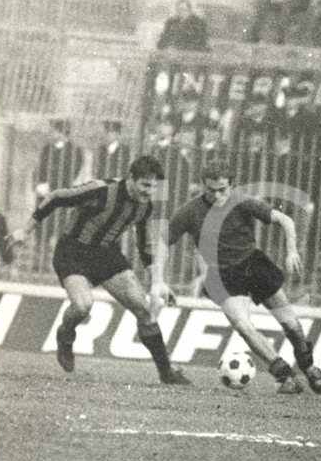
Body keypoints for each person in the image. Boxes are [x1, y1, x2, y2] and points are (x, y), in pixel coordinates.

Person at [10, 156, 190, 385]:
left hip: (106, 255)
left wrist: (159, 281)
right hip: (73, 251)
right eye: (145, 185)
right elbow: (56, 197)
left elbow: (144, 245)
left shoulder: (145, 206)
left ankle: (167, 373)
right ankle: (66, 333)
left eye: (154, 187)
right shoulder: (101, 190)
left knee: (144, 311)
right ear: (130, 178)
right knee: (83, 306)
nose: (149, 191)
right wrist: (25, 231)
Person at [159, 160, 321, 395]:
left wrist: (292, 250)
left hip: (253, 265)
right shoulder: (190, 211)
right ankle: (284, 374)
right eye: (211, 190)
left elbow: (285, 220)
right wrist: (158, 279)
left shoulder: (242, 202)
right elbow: (163, 240)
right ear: (202, 186)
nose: (217, 195)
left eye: (222, 190)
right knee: (243, 326)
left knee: (291, 325)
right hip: (222, 275)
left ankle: (308, 367)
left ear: (231, 185)